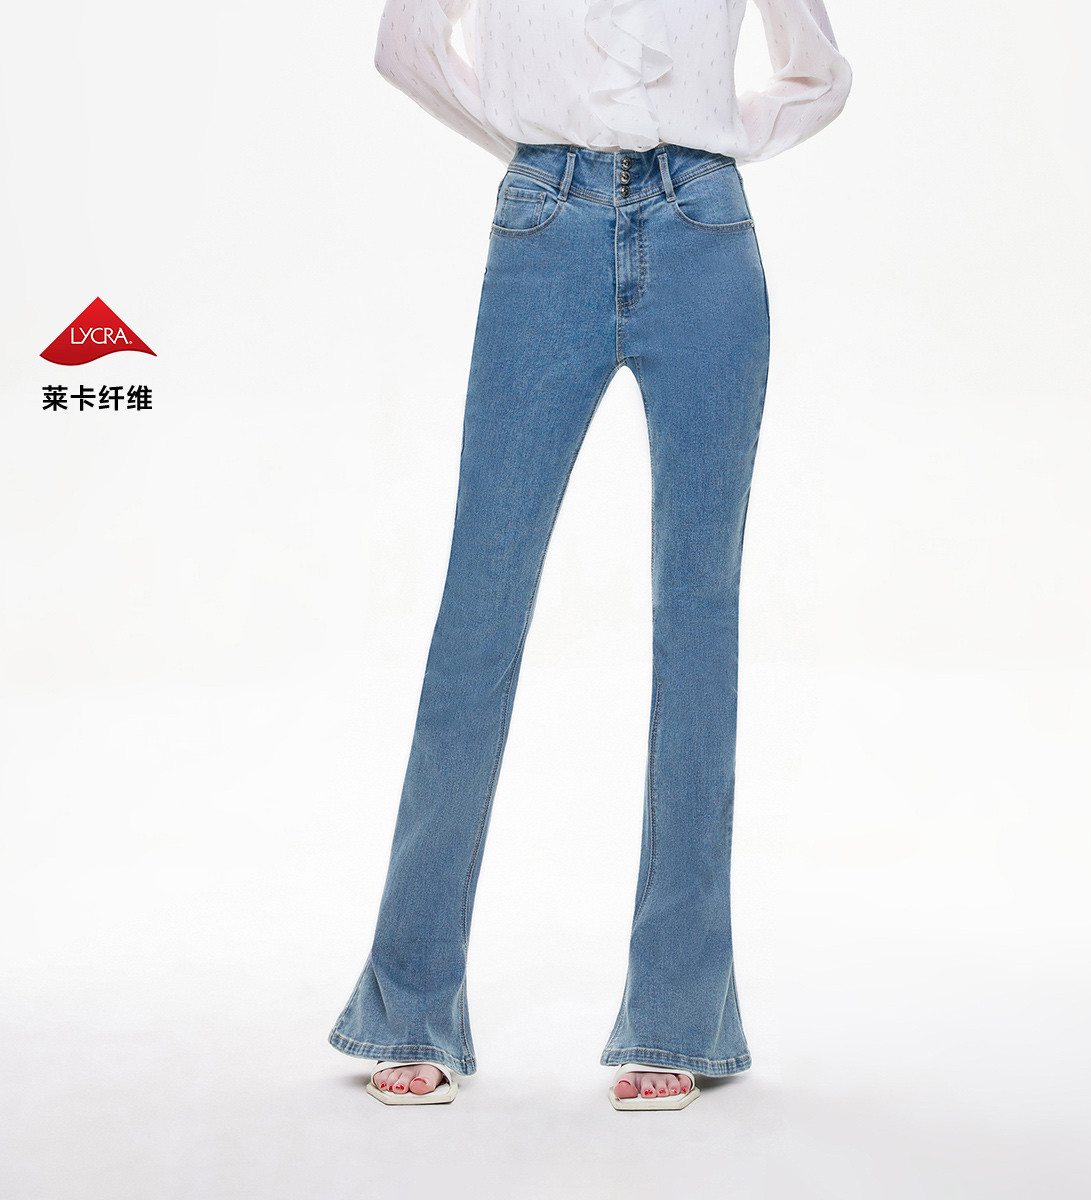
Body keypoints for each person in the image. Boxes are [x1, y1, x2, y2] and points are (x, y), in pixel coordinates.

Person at [328, 0, 852, 1110]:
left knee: (697, 618)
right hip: (544, 230)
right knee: (479, 612)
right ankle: (409, 1006)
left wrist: (715, 132)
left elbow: (817, 72)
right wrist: (538, 144)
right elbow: (405, 42)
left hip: (705, 231)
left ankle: (679, 1017)